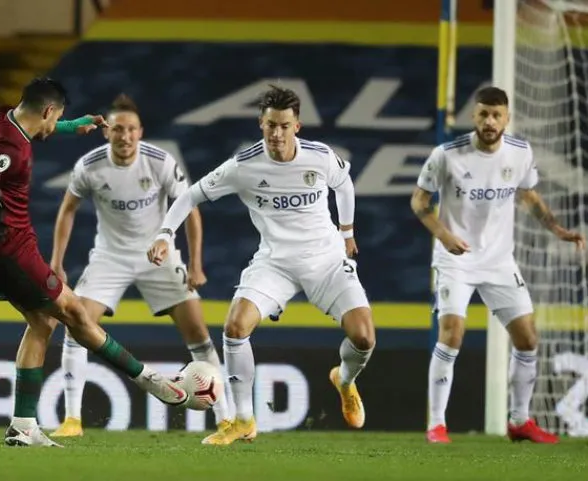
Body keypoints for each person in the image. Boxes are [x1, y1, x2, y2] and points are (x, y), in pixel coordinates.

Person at [0, 78, 189, 448]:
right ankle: (148, 379)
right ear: (48, 110)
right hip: (7, 249)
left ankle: (23, 425)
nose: (54, 125)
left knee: (42, 321)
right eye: (56, 118)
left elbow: (34, 128)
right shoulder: (9, 148)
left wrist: (70, 124)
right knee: (76, 314)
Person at [147, 85, 376, 445]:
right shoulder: (244, 166)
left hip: (327, 260)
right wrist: (163, 234)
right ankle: (243, 420)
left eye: (284, 126)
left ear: (296, 126)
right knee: (236, 326)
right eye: (270, 125)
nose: (276, 134)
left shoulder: (320, 157)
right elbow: (190, 195)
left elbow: (344, 184)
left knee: (363, 337)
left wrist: (347, 231)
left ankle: (344, 380)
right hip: (276, 263)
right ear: (261, 124)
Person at [48, 94, 233, 443]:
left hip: (158, 255)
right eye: (118, 129)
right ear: (107, 132)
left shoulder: (160, 162)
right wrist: (56, 262)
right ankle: (72, 418)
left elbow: (190, 209)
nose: (125, 136)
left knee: (197, 332)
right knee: (75, 325)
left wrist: (195, 264)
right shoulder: (89, 165)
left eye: (131, 129)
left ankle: (227, 421)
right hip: (110, 257)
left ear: (140, 132)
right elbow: (67, 209)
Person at [411, 86, 584, 444]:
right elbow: (419, 201)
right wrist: (444, 235)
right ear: (473, 116)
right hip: (456, 259)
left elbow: (528, 194)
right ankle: (437, 424)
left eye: (496, 115)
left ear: (507, 118)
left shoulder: (520, 153)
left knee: (527, 337)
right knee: (452, 332)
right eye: (483, 114)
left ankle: (520, 421)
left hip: (499, 261)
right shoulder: (447, 155)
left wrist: (556, 229)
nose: (489, 122)